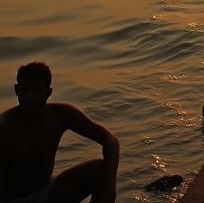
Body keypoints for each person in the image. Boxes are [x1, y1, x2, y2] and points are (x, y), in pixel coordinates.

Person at [0, 62, 120, 203]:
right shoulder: (5, 126)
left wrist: (109, 188)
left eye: (36, 91)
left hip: (48, 192)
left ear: (48, 92)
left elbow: (110, 141)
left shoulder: (60, 115)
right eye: (25, 91)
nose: (30, 97)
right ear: (16, 90)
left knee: (100, 170)